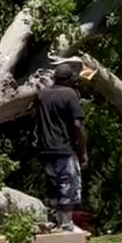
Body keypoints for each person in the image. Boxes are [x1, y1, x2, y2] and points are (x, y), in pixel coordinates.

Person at [34, 62, 88, 230]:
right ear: (69, 80)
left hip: (45, 149)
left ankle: (54, 221)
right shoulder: (69, 94)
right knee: (68, 185)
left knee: (53, 186)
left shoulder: (42, 94)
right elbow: (77, 126)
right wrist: (83, 152)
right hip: (64, 149)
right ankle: (66, 224)